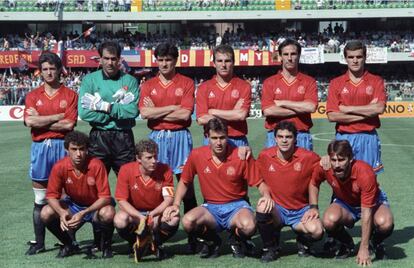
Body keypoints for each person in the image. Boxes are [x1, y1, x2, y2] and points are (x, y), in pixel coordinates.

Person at [164, 118, 269, 259]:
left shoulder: (241, 155)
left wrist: (266, 196)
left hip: (237, 206)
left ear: (228, 136)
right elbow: (184, 181)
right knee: (188, 222)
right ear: (207, 137)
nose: (218, 143)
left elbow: (260, 183)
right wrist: (176, 204)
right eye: (214, 138)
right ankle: (213, 240)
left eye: (222, 138)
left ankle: (236, 240)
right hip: (211, 207)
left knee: (249, 226)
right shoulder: (197, 155)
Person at [139, 43, 198, 250]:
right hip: (157, 137)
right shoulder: (148, 85)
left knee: (186, 185)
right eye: (161, 60)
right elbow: (145, 113)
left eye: (168, 60)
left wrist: (159, 110)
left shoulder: (187, 82)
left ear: (176, 60)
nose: (164, 63)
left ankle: (194, 236)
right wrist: (174, 107)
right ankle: (155, 233)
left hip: (180, 136)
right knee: (157, 186)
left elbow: (185, 114)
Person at [24, 52, 78, 255]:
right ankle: (39, 243)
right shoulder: (32, 96)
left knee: (63, 198)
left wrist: (42, 120)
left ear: (59, 70)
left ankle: (69, 241)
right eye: (45, 69)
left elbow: (69, 124)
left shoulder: (70, 95)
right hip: (39, 149)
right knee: (40, 199)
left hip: (61, 147)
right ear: (40, 71)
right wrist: (56, 117)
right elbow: (30, 122)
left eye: (52, 68)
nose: (49, 72)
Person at [309, 140, 394, 265]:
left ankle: (374, 243)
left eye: (341, 160)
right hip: (345, 202)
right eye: (333, 160)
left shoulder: (365, 172)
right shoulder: (325, 167)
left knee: (385, 223)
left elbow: (366, 211)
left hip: (373, 203)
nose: (337, 165)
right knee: (328, 220)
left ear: (350, 158)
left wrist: (364, 247)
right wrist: (313, 207)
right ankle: (347, 243)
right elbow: (313, 183)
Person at [256, 121, 323, 262]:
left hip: (300, 210)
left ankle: (303, 241)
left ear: (295, 139)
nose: (284, 140)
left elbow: (323, 168)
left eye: (288, 137)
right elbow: (257, 178)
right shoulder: (265, 156)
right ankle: (270, 248)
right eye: (280, 136)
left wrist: (327, 158)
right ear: (275, 139)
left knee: (317, 231)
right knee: (262, 206)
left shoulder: (308, 157)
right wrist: (266, 195)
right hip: (277, 209)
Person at [40, 131, 115, 258]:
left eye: (82, 149)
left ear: (87, 149)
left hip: (95, 206)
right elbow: (51, 196)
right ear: (66, 150)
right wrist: (61, 212)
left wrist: (84, 213)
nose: (78, 154)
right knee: (46, 212)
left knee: (108, 212)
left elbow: (105, 197)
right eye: (74, 149)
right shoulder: (59, 167)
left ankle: (105, 246)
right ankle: (69, 244)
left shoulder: (96, 165)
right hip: (74, 206)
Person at [79, 41, 139, 176]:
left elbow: (133, 111)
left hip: (123, 136)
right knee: (94, 184)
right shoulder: (89, 80)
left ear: (119, 59)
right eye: (106, 58)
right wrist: (113, 114)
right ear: (100, 59)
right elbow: (84, 113)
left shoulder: (130, 81)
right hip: (98, 137)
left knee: (129, 183)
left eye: (113, 59)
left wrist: (104, 106)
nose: (110, 63)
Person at [326, 40, 386, 174]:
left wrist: (348, 109)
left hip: (368, 137)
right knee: (342, 178)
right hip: (344, 137)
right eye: (351, 57)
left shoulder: (376, 81)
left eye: (359, 57)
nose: (355, 61)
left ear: (365, 57)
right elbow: (332, 116)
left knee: (369, 179)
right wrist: (368, 110)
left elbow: (379, 109)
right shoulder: (336, 83)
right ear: (345, 58)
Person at [114, 139, 179, 261]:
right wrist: (139, 217)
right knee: (119, 220)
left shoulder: (165, 169)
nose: (154, 161)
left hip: (156, 211)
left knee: (174, 218)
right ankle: (136, 242)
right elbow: (122, 200)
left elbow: (168, 199)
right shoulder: (125, 170)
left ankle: (156, 244)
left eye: (155, 156)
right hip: (135, 212)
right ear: (138, 158)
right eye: (149, 158)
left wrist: (154, 214)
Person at [261, 39, 318, 150]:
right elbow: (268, 111)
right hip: (275, 136)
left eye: (293, 54)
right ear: (280, 57)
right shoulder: (269, 82)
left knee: (304, 168)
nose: (290, 58)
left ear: (299, 55)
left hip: (301, 135)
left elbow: (311, 107)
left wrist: (282, 103)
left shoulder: (309, 81)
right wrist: (299, 110)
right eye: (286, 54)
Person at [196, 44, 251, 147]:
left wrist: (212, 112)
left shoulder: (244, 86)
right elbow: (201, 119)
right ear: (214, 64)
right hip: (212, 139)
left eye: (227, 61)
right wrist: (233, 114)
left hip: (237, 139)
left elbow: (241, 115)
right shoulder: (203, 88)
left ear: (233, 63)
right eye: (219, 61)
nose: (223, 65)